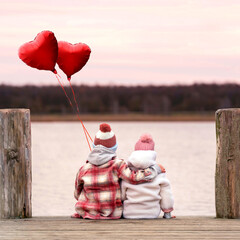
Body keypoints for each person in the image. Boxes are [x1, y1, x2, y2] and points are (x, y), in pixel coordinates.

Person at [72, 123, 162, 219]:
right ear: (114, 147)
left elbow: (77, 193)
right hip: (111, 213)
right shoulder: (117, 165)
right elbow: (134, 178)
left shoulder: (83, 168)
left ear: (94, 146)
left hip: (86, 212)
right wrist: (155, 169)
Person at [121, 134, 174, 219]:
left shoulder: (127, 172)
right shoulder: (159, 172)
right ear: (152, 154)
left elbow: (122, 195)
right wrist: (167, 212)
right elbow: (166, 195)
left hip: (129, 214)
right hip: (152, 214)